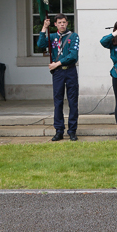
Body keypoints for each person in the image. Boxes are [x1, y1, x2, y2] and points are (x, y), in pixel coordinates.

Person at [38, 13, 80, 141]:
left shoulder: (73, 36)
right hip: (58, 73)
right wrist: (44, 28)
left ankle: (72, 130)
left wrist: (58, 63)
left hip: (70, 71)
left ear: (67, 23)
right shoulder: (52, 36)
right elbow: (40, 44)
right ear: (55, 24)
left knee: (73, 102)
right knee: (58, 102)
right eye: (59, 22)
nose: (62, 24)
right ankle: (59, 130)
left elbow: (73, 55)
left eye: (64, 22)